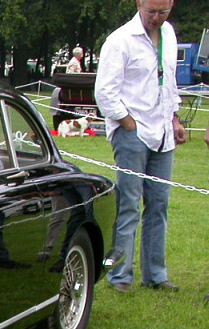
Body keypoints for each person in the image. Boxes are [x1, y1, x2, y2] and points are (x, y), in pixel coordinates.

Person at [95, 0, 187, 293]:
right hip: (132, 134)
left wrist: (174, 118)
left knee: (159, 205)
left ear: (171, 6)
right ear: (139, 4)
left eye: (163, 12)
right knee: (129, 205)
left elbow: (168, 82)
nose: (156, 18)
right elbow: (105, 93)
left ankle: (155, 275)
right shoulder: (120, 40)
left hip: (163, 134)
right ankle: (120, 276)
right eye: (151, 12)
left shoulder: (169, 35)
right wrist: (129, 124)